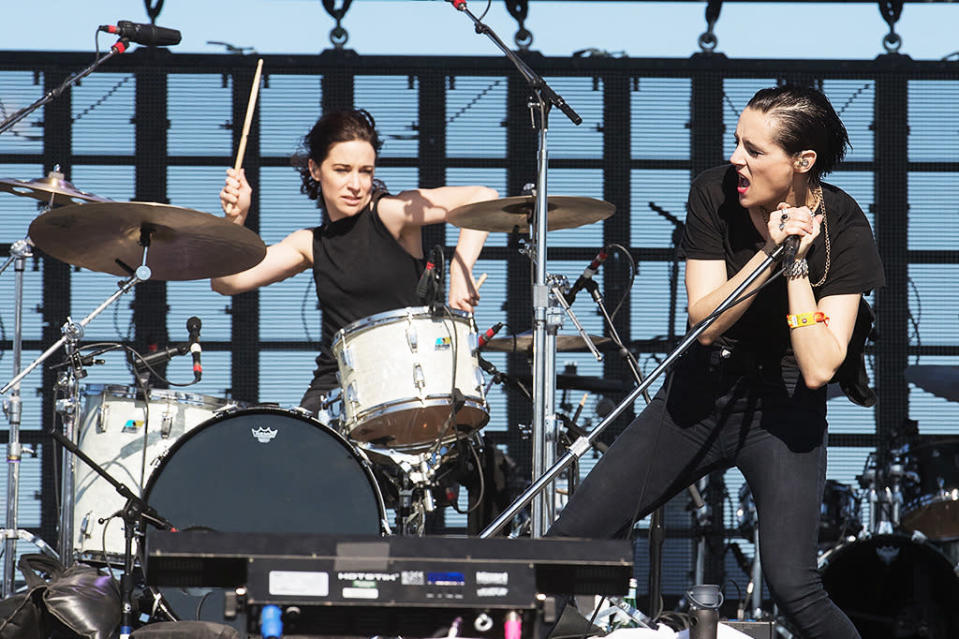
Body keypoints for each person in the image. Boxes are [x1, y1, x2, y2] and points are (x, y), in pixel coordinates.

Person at [548, 85, 883, 639]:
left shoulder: (845, 227)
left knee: (794, 586)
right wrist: (768, 257)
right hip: (699, 396)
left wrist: (797, 268)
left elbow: (820, 366)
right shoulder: (714, 193)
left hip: (784, 410)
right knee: (568, 544)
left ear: (802, 162)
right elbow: (705, 323)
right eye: (736, 143)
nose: (737, 159)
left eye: (754, 150)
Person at [211, 109, 495, 415]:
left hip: (407, 380)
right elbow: (227, 282)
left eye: (365, 171)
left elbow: (483, 196)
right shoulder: (310, 243)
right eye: (342, 170)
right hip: (336, 388)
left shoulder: (389, 213)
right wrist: (234, 221)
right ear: (315, 169)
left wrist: (460, 268)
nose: (356, 184)